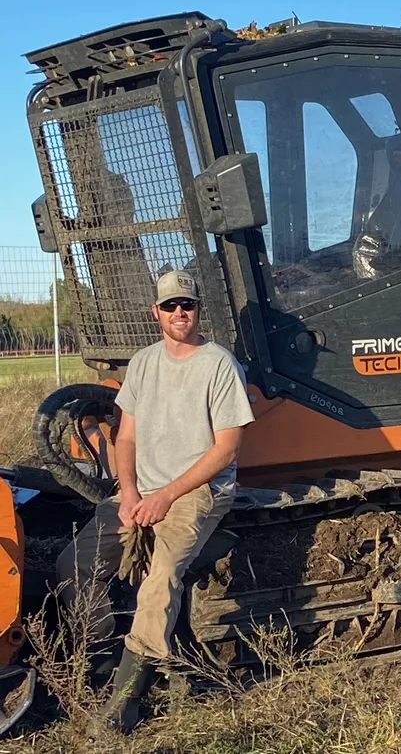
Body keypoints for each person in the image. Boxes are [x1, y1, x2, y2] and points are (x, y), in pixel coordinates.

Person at [56, 269, 255, 733]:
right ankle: (106, 660)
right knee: (73, 565)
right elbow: (126, 436)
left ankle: (126, 700)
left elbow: (226, 449)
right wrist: (128, 493)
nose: (179, 313)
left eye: (187, 305)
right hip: (141, 490)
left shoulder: (220, 365)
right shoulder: (144, 363)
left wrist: (166, 495)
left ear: (198, 310)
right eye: (170, 306)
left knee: (160, 577)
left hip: (197, 491)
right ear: (156, 312)